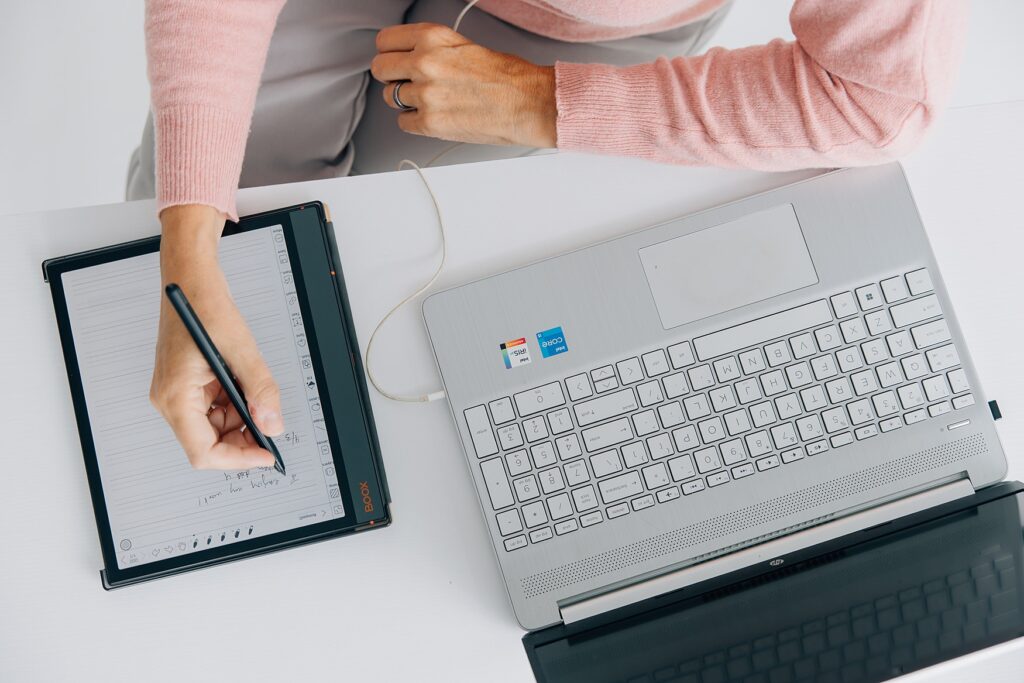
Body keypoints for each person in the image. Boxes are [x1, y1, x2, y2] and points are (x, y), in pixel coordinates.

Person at [129, 0, 967, 471]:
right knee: (180, 223)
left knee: (407, 284)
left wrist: (542, 101)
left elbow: (878, 99)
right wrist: (186, 250)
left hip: (577, 26)